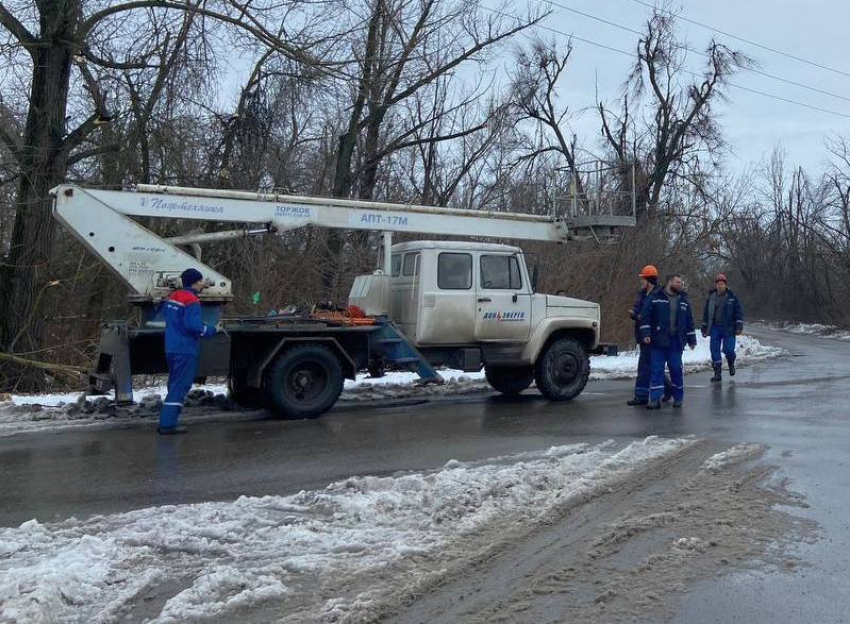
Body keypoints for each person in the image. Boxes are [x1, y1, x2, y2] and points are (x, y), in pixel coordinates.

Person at [158, 268, 217, 435]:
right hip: (185, 348)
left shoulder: (173, 298)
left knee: (174, 384)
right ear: (195, 282)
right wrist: (211, 329)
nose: (202, 284)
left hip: (171, 347)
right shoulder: (192, 300)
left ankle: (166, 420)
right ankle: (168, 424)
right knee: (180, 385)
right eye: (200, 281)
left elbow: (167, 315)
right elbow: (192, 326)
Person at [640, 274, 697, 409]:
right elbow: (646, 315)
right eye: (677, 282)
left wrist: (692, 339)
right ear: (669, 282)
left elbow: (689, 321)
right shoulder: (656, 297)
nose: (680, 285)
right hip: (658, 341)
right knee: (656, 370)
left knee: (676, 369)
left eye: (680, 283)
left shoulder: (683, 300)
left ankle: (678, 397)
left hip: (676, 342)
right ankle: (655, 399)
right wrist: (646, 333)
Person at [627, 265, 671, 406]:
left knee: (652, 366)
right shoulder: (642, 294)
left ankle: (665, 389)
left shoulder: (659, 295)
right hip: (643, 335)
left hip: (653, 336)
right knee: (645, 367)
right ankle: (642, 396)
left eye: (643, 279)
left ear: (649, 280)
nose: (641, 281)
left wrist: (643, 319)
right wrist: (635, 314)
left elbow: (659, 316)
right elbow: (638, 309)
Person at [701, 273, 744, 383]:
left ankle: (731, 363)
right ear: (716, 285)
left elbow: (738, 312)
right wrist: (704, 327)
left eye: (722, 284)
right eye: (718, 284)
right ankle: (717, 373)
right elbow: (706, 313)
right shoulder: (711, 297)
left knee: (728, 349)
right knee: (714, 350)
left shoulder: (732, 297)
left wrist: (739, 326)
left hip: (728, 327)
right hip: (715, 326)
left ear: (725, 285)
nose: (720, 286)